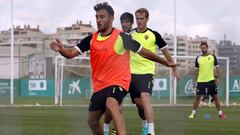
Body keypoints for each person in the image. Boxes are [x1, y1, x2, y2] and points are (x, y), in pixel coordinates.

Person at [50, 3, 179, 135]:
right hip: (100, 85)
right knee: (92, 121)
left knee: (112, 104)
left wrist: (166, 62)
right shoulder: (91, 39)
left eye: (102, 17)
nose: (99, 20)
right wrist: (61, 50)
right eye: (97, 17)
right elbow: (71, 53)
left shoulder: (122, 37)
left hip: (119, 82)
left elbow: (143, 52)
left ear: (111, 18)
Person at [129, 8, 180, 135]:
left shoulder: (154, 35)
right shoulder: (130, 34)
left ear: (147, 19)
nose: (139, 21)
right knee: (139, 104)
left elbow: (166, 53)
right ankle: (145, 122)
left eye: (142, 19)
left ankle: (151, 131)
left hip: (147, 72)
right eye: (137, 19)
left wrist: (174, 69)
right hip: (131, 73)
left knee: (145, 97)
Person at [103, 12, 134, 135]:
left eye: (127, 22)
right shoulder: (117, 36)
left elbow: (143, 52)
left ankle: (147, 129)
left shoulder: (135, 36)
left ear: (132, 23)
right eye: (123, 22)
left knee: (141, 103)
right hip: (117, 76)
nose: (125, 24)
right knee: (112, 105)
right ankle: (108, 129)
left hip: (132, 76)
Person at [188, 42, 225, 119]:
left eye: (204, 47)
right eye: (202, 48)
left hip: (211, 80)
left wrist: (219, 78)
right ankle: (193, 114)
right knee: (197, 97)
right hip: (201, 81)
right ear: (200, 49)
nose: (203, 49)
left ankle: (220, 114)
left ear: (207, 48)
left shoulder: (212, 56)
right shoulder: (198, 58)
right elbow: (196, 71)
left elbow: (217, 68)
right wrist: (195, 81)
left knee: (215, 97)